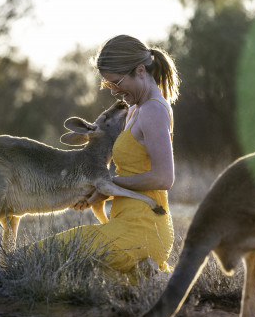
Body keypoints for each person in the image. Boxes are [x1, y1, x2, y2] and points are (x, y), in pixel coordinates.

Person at [44, 34, 180, 275]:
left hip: (143, 227)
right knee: (47, 257)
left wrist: (108, 184)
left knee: (41, 257)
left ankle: (146, 266)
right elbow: (134, 172)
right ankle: (141, 273)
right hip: (125, 222)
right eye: (109, 85)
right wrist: (99, 193)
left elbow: (163, 178)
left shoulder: (153, 111)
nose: (114, 91)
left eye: (117, 82)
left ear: (140, 71)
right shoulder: (136, 109)